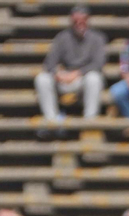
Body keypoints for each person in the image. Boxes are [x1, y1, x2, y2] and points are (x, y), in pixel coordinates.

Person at [34, 4, 106, 132]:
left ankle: (89, 121)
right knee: (42, 79)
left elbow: (98, 63)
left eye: (82, 20)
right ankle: (52, 121)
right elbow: (49, 63)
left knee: (94, 78)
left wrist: (78, 73)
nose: (79, 23)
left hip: (83, 79)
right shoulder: (62, 37)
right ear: (71, 21)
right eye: (76, 21)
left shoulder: (97, 38)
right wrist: (58, 73)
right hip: (64, 78)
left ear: (87, 20)